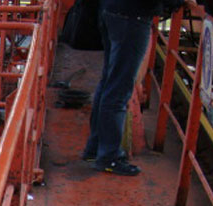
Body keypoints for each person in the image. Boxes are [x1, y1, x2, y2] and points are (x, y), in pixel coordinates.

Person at [83, 0, 199, 176]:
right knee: (118, 89)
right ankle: (108, 157)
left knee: (109, 81)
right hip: (132, 17)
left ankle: (95, 148)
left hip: (111, 11)